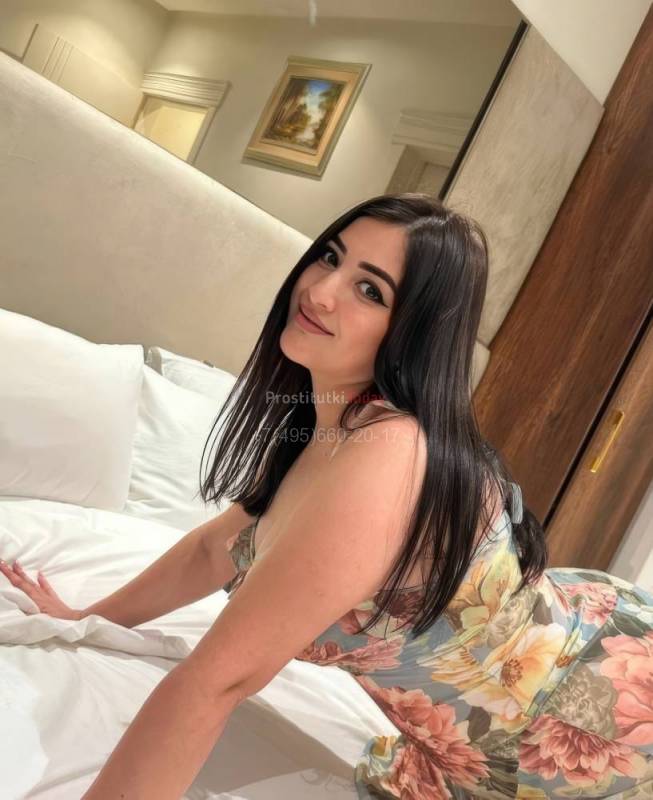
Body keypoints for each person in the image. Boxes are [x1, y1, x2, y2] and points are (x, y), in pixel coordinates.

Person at [2, 193, 652, 799]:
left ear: (415, 331)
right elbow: (214, 548)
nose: (319, 291)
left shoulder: (390, 454)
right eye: (330, 257)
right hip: (468, 737)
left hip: (590, 722)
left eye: (369, 290)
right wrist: (87, 617)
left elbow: (218, 680)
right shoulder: (327, 424)